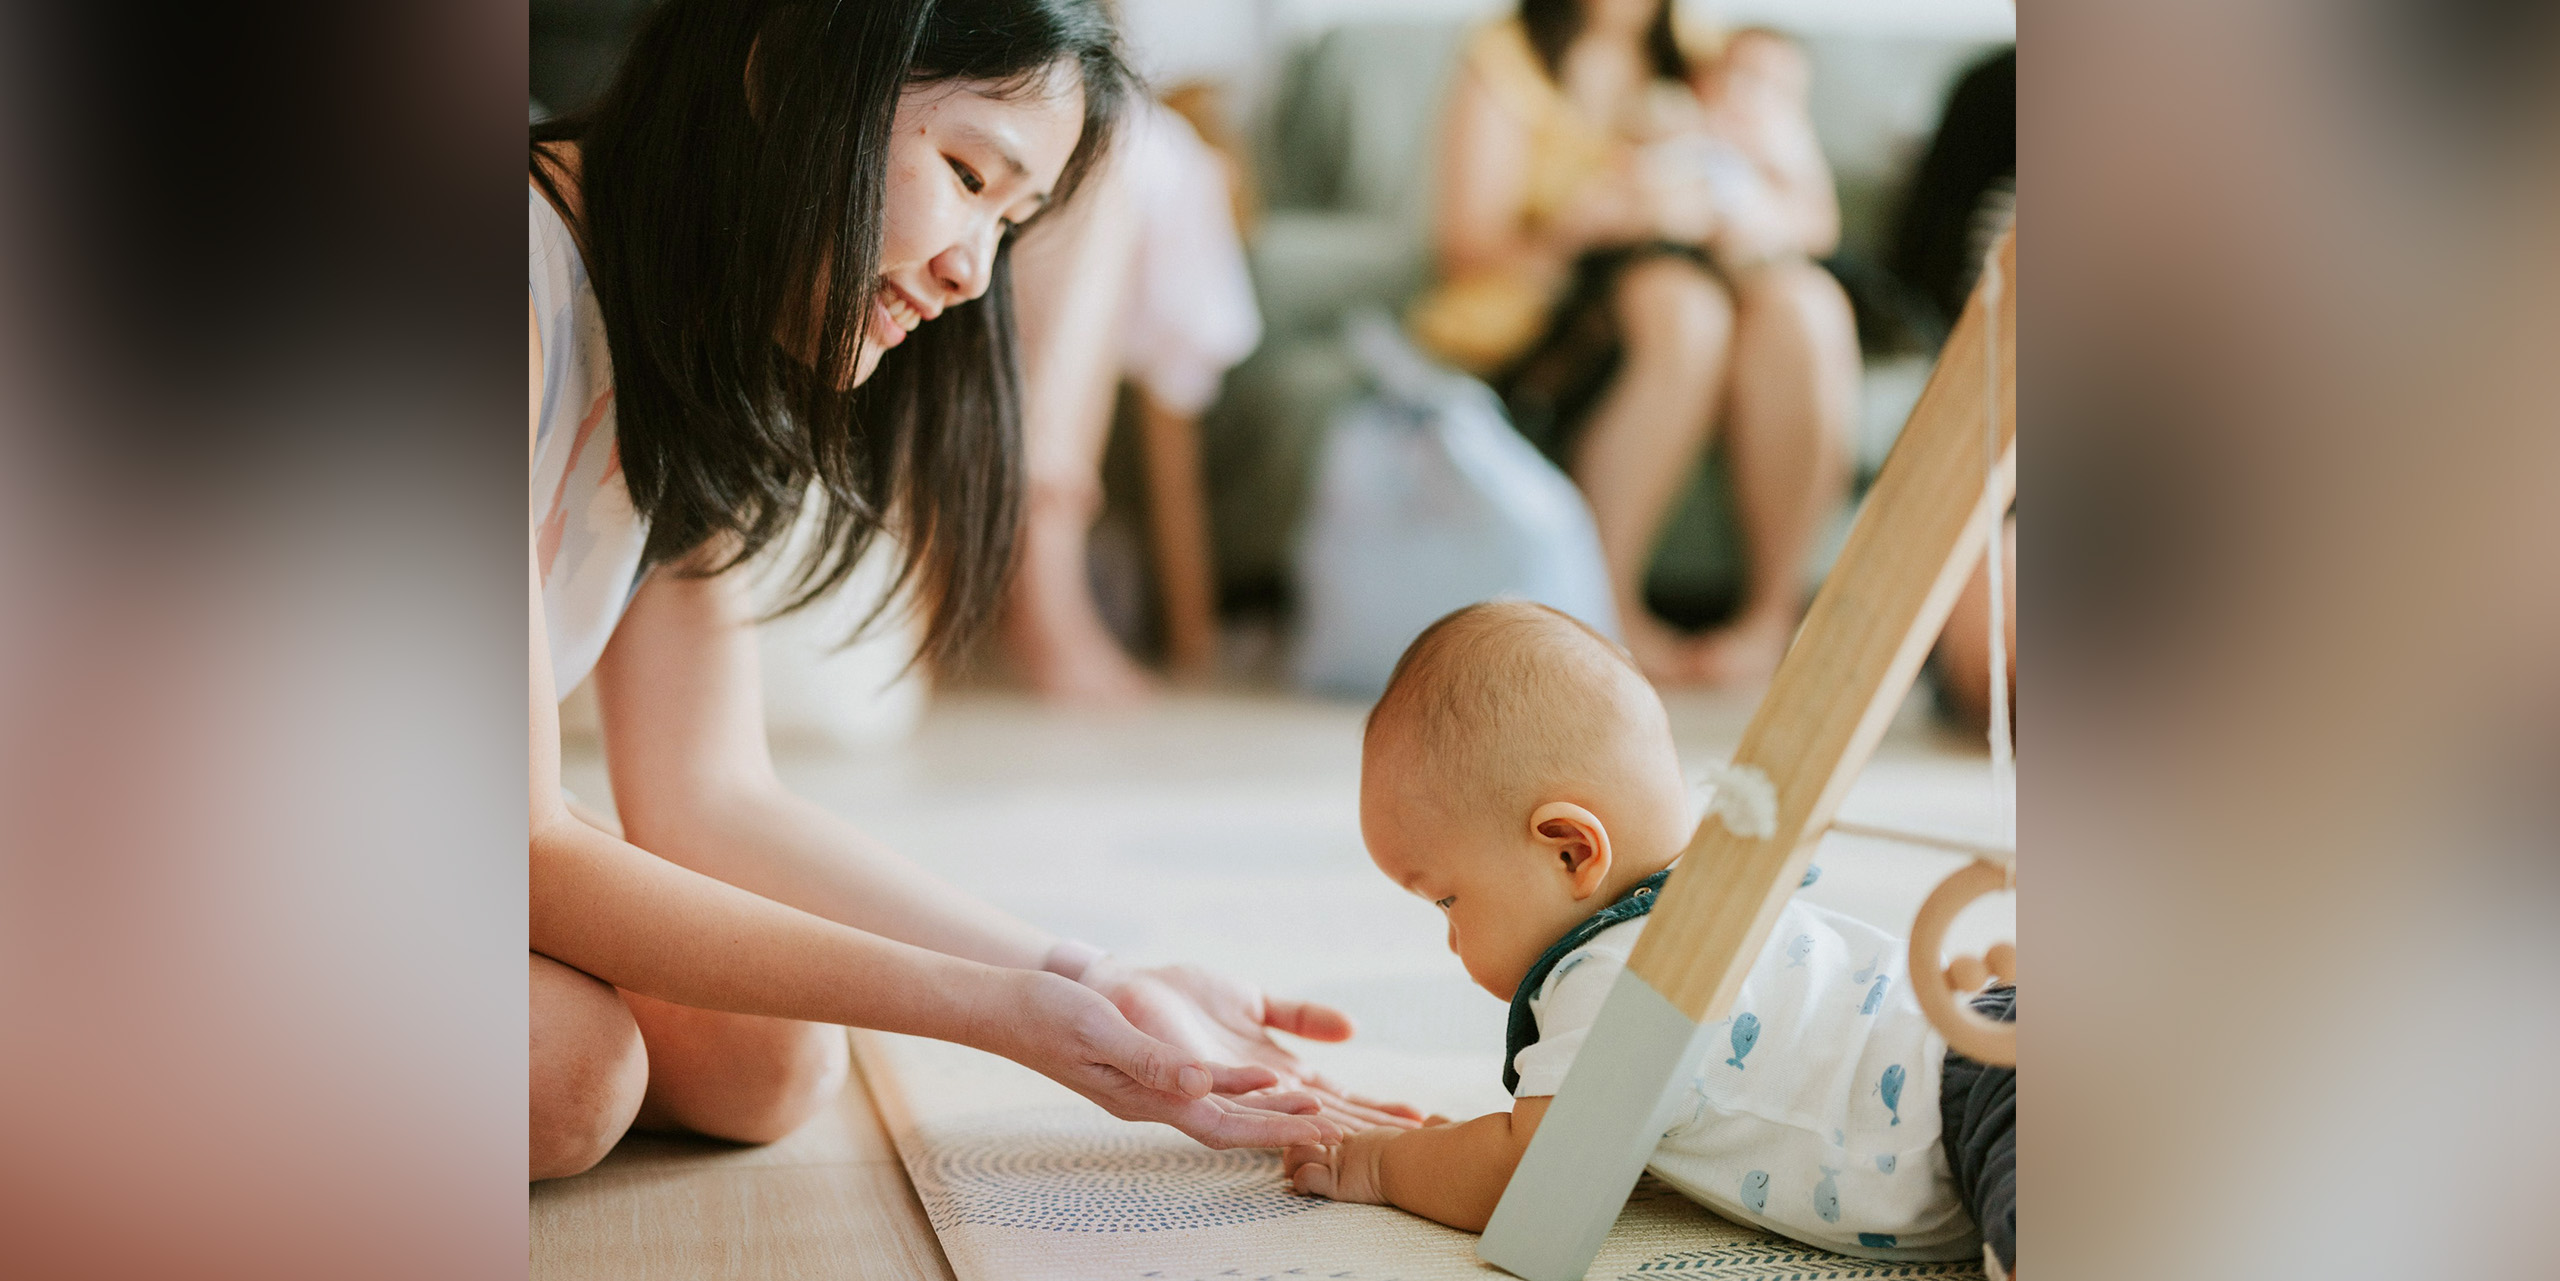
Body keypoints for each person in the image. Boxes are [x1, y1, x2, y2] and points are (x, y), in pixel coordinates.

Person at [527, 0, 1416, 1181]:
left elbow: (712, 799)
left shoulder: (681, 335)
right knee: (570, 1073)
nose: (969, 272)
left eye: (1012, 220)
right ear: (783, 69)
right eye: (966, 175)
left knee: (765, 1061)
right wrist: (996, 1014)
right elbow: (525, 845)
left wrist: (1085, 977)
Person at [1283, 603, 2017, 1275]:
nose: (1450, 940)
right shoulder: (1714, 889)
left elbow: (1531, 1177)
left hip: (1980, 1096)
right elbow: (1579, 1143)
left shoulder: (1620, 974)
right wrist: (1461, 1147)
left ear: (1571, 850)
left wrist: (1385, 1165)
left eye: (1447, 899)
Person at [1411, 0, 1859, 686]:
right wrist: (1590, 220)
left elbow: (1814, 220)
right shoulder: (1506, 56)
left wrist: (1734, 209)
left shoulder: (1716, 54)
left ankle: (1771, 619)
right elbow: (1466, 249)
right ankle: (1606, 608)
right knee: (1682, 310)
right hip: (1557, 306)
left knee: (1809, 305)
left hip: (1712, 263)